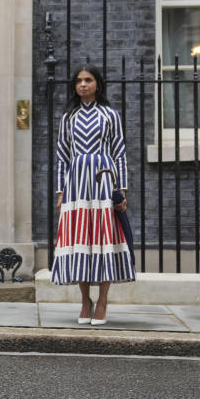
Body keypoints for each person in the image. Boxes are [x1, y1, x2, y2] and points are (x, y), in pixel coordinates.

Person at [52, 64, 134, 325]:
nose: (83, 84)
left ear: (97, 83)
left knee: (103, 238)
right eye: (78, 81)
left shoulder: (110, 115)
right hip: (76, 184)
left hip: (102, 182)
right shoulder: (68, 117)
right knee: (80, 239)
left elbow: (119, 152)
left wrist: (121, 189)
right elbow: (62, 156)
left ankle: (103, 301)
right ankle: (85, 301)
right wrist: (60, 191)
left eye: (88, 80)